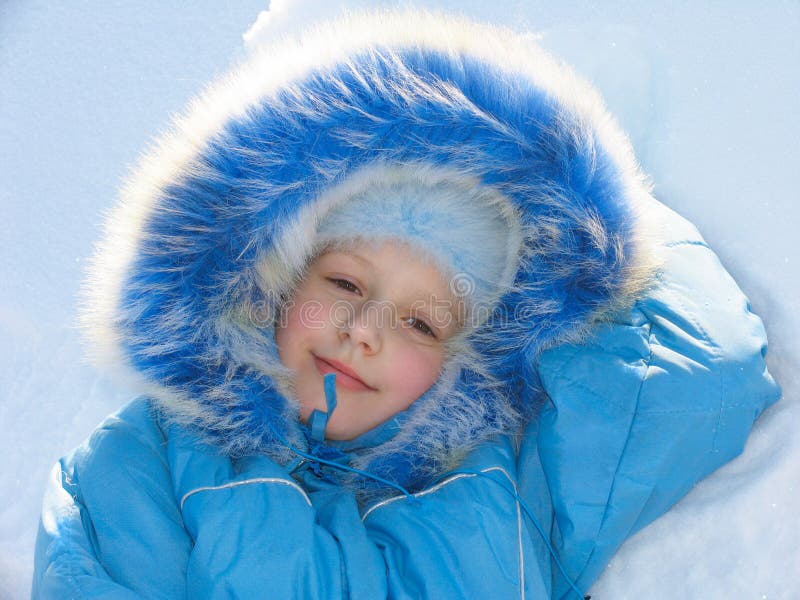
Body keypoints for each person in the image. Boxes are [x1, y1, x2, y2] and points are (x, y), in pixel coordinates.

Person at [32, 10, 780, 599]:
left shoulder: (503, 486)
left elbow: (708, 373)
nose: (363, 332)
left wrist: (577, 202)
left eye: (422, 322)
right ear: (268, 283)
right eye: (346, 284)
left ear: (471, 356)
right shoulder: (149, 460)